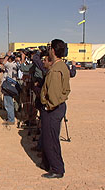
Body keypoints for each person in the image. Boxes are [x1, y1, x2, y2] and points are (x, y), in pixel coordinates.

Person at [40, 39, 71, 179]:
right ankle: (49, 163)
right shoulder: (62, 66)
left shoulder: (55, 69)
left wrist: (47, 105)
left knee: (51, 140)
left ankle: (57, 168)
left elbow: (53, 94)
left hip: (52, 109)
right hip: (57, 107)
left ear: (53, 50)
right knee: (50, 138)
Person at [2, 52, 18, 125]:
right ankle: (10, 117)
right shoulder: (15, 65)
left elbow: (4, 62)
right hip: (10, 85)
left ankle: (11, 119)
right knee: (8, 102)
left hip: (8, 86)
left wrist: (7, 55)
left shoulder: (10, 65)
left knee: (8, 103)